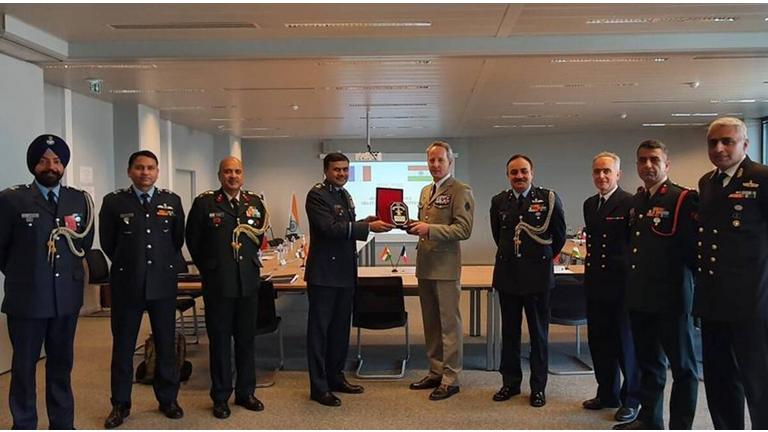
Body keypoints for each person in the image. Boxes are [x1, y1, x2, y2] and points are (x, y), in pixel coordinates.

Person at [0, 134, 95, 429]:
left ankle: (62, 423)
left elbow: (82, 244)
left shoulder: (78, 200)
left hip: (65, 298)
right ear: (33, 165)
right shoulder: (11, 199)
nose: (50, 166)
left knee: (61, 365)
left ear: (64, 165)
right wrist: (25, 274)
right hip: (28, 299)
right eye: (43, 161)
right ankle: (24, 423)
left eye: (56, 161)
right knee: (24, 367)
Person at [614, 139, 699, 430]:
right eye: (642, 160)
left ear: (666, 164)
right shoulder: (637, 201)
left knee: (683, 368)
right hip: (641, 298)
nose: (647, 165)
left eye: (654, 160)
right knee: (649, 364)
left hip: (672, 299)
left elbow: (693, 254)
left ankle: (680, 426)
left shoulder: (683, 199)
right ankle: (650, 420)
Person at [99, 150, 185, 428]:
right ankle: (120, 404)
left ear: (157, 172)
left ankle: (168, 399)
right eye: (139, 167)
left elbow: (176, 240)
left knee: (166, 345)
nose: (145, 172)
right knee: (123, 347)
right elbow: (108, 242)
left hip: (162, 284)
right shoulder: (114, 202)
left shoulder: (171, 201)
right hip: (128, 285)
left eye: (150, 168)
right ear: (129, 171)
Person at [695, 117, 768, 429]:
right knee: (720, 380)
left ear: (745, 145)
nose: (719, 148)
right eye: (713, 142)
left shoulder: (762, 178)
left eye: (727, 141)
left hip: (752, 302)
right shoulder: (707, 183)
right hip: (714, 300)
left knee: (759, 381)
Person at [304, 152, 394, 407]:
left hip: (344, 274)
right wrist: (367, 228)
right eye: (337, 169)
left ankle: (336, 377)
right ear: (326, 170)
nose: (342, 173)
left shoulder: (344, 194)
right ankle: (319, 387)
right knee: (320, 333)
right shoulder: (317, 195)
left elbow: (345, 224)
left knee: (340, 331)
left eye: (345, 169)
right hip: (324, 275)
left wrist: (366, 221)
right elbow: (329, 229)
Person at [186, 156, 267, 419]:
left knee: (246, 341)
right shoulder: (205, 203)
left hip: (247, 283)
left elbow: (258, 239)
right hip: (219, 284)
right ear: (219, 175)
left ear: (243, 175)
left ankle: (246, 392)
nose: (233, 176)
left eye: (237, 171)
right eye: (228, 172)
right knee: (220, 342)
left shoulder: (254, 202)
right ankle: (220, 396)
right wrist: (211, 268)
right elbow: (193, 241)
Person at [489, 154, 565, 408]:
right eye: (514, 172)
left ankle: (538, 388)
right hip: (508, 276)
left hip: (538, 278)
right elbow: (498, 236)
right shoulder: (499, 201)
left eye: (524, 171)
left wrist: (538, 259)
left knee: (538, 336)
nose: (519, 176)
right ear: (508, 175)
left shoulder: (548, 199)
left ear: (532, 173)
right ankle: (510, 383)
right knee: (509, 334)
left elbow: (558, 237)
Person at [406, 141, 474, 401]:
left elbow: (463, 230)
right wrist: (413, 226)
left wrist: (429, 229)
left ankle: (451, 378)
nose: (435, 165)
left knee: (449, 325)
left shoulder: (460, 190)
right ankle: (435, 371)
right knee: (431, 324)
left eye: (440, 160)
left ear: (450, 162)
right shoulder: (426, 190)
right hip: (425, 265)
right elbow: (427, 223)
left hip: (445, 268)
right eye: (431, 160)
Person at [581, 152, 639, 422]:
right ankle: (607, 393)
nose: (601, 176)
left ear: (618, 174)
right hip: (596, 283)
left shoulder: (630, 202)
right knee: (599, 342)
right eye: (597, 171)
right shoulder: (590, 204)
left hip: (621, 284)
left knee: (625, 344)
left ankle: (632, 398)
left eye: (607, 171)